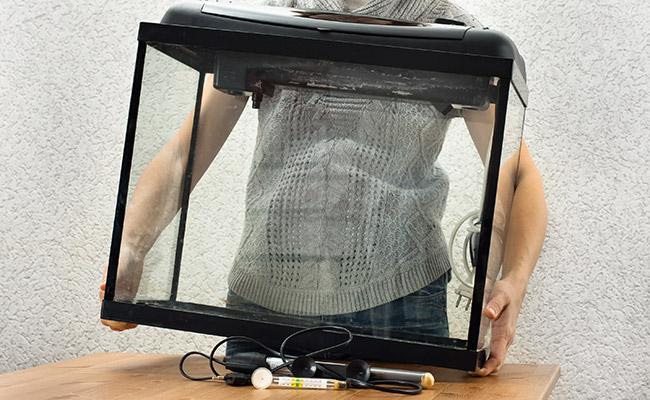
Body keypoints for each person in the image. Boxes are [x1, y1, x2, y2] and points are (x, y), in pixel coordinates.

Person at [100, 0, 547, 377]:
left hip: (401, 302)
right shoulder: (277, 13)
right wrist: (132, 248)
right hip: (265, 305)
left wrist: (514, 281)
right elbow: (186, 152)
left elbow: (518, 176)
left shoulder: (447, 25)